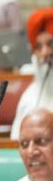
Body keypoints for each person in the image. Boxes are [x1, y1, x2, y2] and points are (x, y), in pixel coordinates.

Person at [11, 8, 53, 140]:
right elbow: (16, 142)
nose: (45, 53)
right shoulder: (29, 96)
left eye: (51, 44)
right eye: (38, 47)